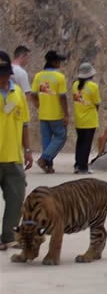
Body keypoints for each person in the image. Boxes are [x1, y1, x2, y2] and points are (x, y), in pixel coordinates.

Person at [0, 51, 33, 251]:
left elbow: (25, 123)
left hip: (13, 157)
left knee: (16, 198)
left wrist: (28, 149)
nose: (3, 77)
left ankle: (9, 235)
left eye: (5, 73)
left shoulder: (18, 92)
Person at [31, 50, 69, 174]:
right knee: (61, 136)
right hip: (56, 113)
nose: (60, 63)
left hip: (43, 113)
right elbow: (62, 97)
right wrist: (66, 114)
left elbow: (33, 94)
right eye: (58, 61)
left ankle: (48, 166)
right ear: (53, 62)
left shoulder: (38, 76)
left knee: (46, 140)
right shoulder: (59, 77)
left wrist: (38, 105)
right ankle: (44, 159)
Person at [72, 62, 101, 174]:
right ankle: (83, 167)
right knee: (86, 144)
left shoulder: (75, 85)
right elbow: (97, 103)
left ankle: (77, 165)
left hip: (79, 119)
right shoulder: (93, 86)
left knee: (80, 143)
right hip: (90, 119)